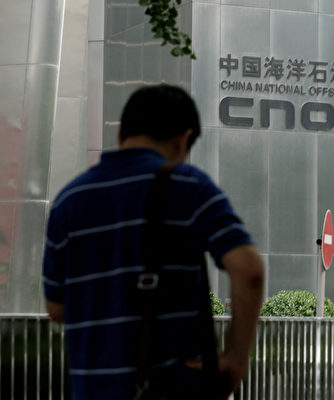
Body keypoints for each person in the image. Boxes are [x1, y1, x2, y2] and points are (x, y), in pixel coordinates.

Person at [42, 85, 264, 399]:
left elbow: (56, 308)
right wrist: (235, 361)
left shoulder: (68, 201)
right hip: (173, 387)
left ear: (121, 136)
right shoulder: (189, 186)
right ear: (183, 140)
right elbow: (249, 269)